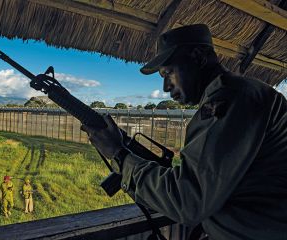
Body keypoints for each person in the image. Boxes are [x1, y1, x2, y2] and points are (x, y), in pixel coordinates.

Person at [81, 24, 287, 240]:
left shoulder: (230, 100)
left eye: (168, 72)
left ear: (198, 57)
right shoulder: (243, 92)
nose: (165, 87)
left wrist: (119, 154)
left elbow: (188, 200)